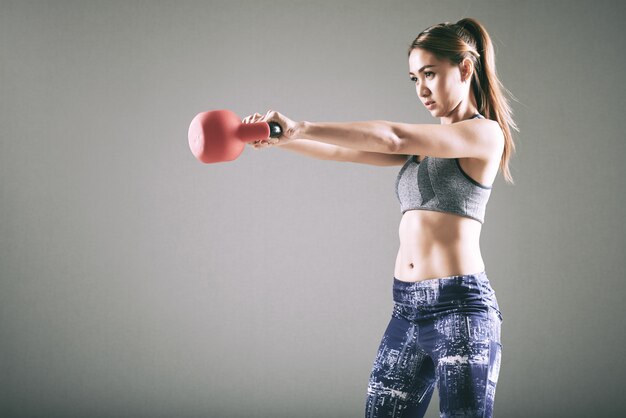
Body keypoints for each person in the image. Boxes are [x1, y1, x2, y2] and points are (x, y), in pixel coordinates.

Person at [242, 17, 517, 418]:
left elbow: (394, 136)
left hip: (460, 308)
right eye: (414, 78)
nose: (422, 89)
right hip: (406, 309)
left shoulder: (484, 135)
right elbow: (341, 151)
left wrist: (303, 124)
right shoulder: (423, 147)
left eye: (430, 74)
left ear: (464, 68)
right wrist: (283, 138)